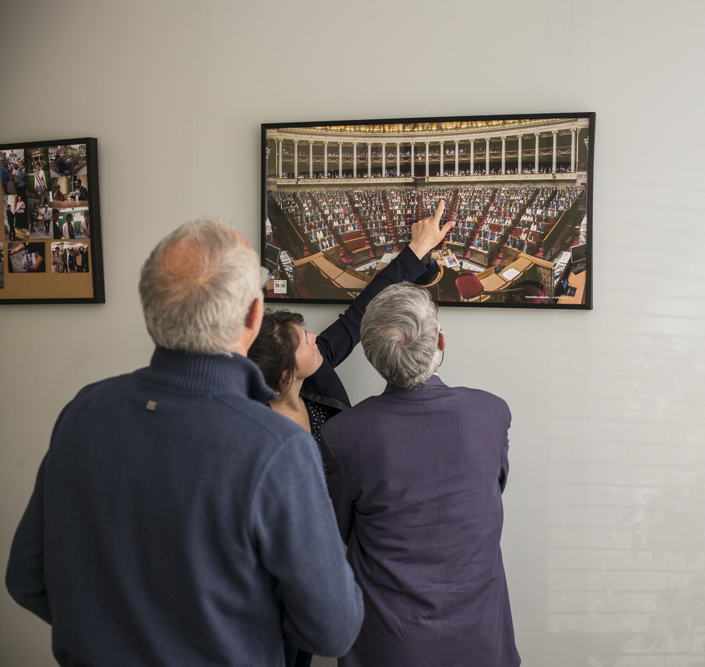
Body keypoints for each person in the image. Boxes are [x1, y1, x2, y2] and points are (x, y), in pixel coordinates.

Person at [6, 217, 364, 666]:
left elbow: (26, 578)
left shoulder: (84, 411)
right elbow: (333, 629)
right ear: (254, 316)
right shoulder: (276, 447)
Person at [247, 200, 452, 667]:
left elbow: (358, 316)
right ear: (283, 377)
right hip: (267, 578)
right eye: (305, 342)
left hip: (322, 566)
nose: (316, 339)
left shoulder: (314, 375)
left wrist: (415, 251)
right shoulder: (251, 433)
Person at [322, 283, 520, 667]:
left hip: (389, 642)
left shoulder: (344, 433)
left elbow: (339, 529)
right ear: (440, 342)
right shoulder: (491, 413)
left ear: (372, 355)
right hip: (479, 639)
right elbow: (493, 492)